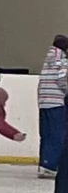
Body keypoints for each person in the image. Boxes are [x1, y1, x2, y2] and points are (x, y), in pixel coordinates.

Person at [37, 35, 68, 178]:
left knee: (46, 134)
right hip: (56, 102)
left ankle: (44, 163)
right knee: (57, 135)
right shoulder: (62, 61)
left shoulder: (47, 62)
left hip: (43, 102)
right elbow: (62, 80)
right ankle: (51, 165)